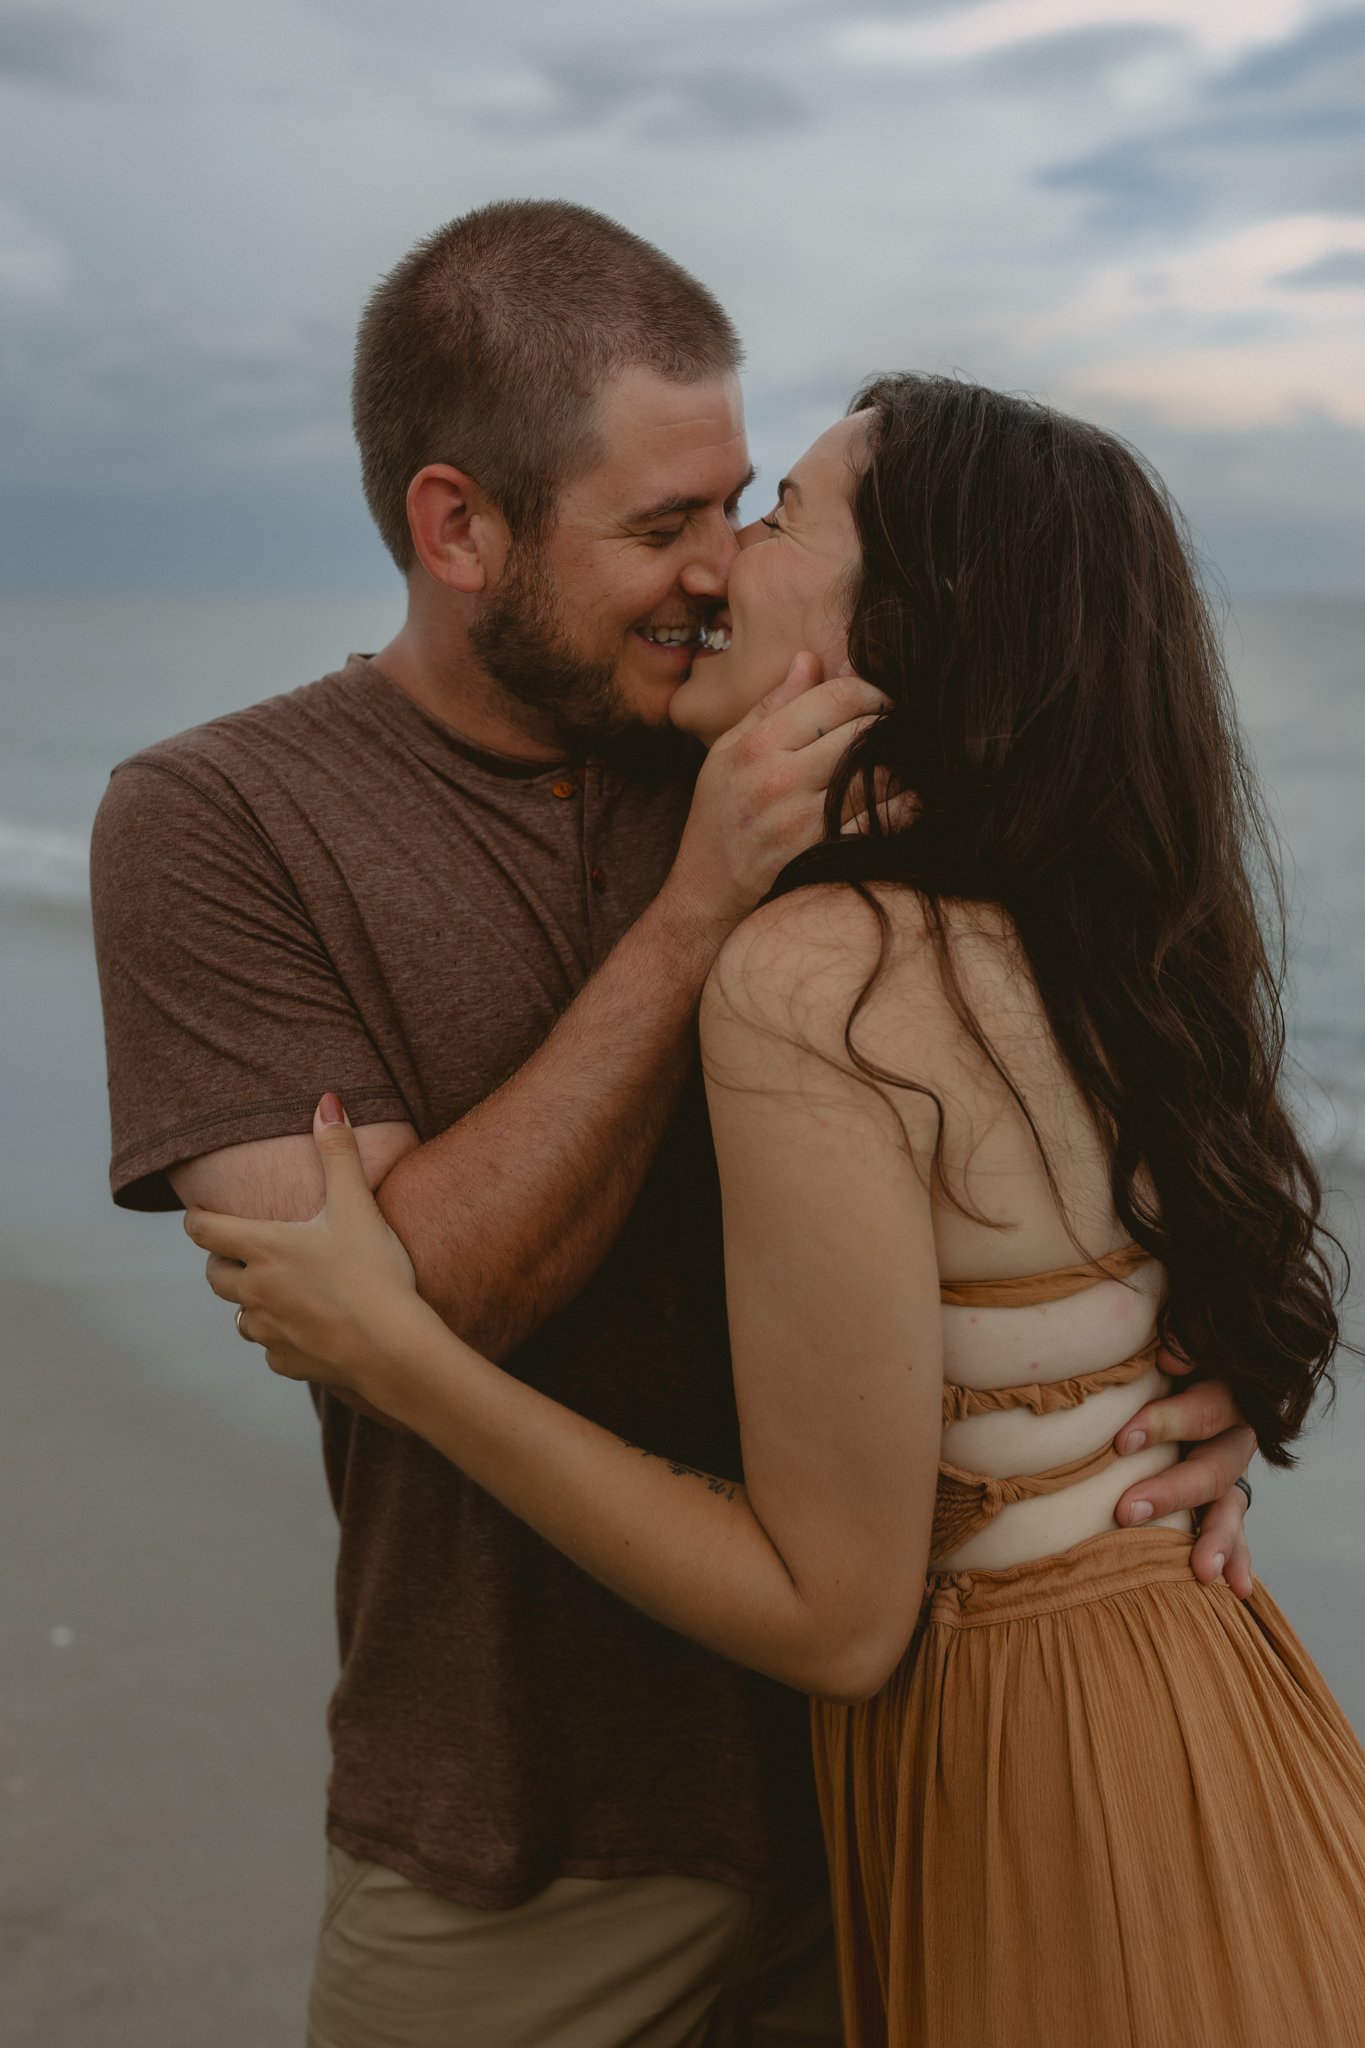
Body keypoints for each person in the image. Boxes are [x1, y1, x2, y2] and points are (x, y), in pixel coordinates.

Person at [91, 200, 1254, 2048]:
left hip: (899, 1791)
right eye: (659, 528)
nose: (716, 571)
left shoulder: (774, 742)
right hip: (525, 1829)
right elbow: (408, 1307)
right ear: (459, 525)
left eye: (740, 504)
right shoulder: (218, 822)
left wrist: (1158, 1394)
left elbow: (1082, 1032)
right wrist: (692, 915)